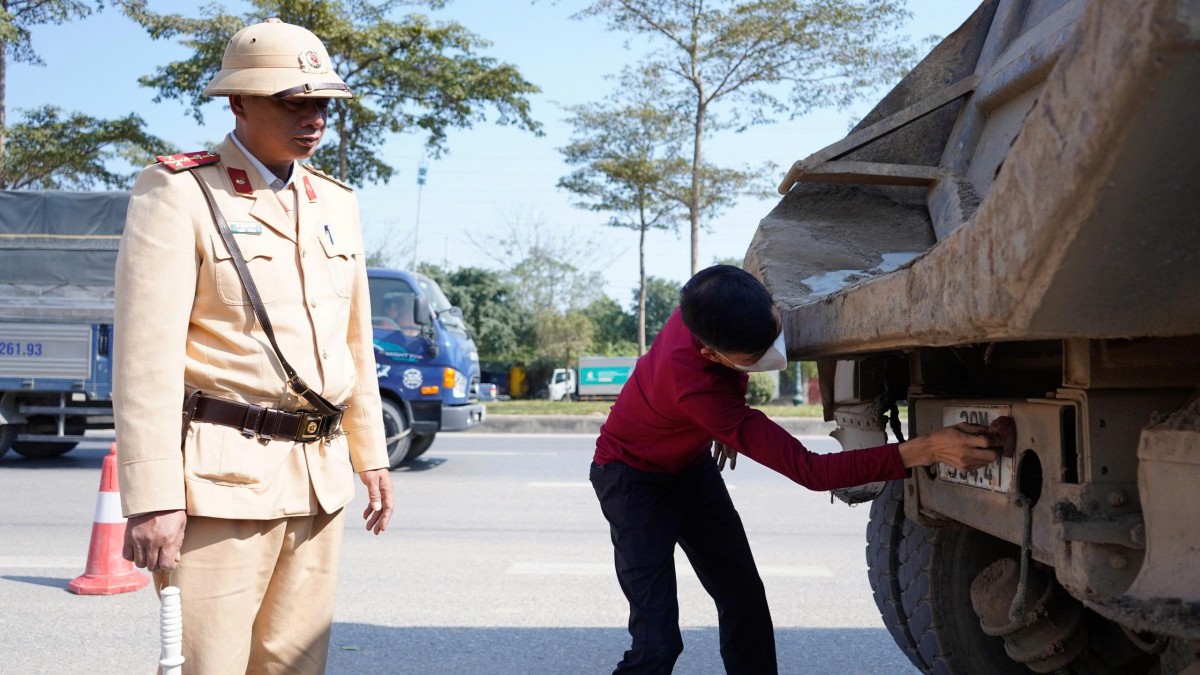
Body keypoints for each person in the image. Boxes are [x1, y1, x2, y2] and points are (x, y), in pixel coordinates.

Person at [113, 18, 394, 674]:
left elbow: (351, 339)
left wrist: (370, 454)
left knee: (296, 664)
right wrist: (153, 496)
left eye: (322, 102)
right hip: (220, 482)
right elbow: (145, 361)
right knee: (213, 664)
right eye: (293, 102)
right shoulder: (180, 193)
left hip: (319, 479)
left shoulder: (335, 202)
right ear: (238, 101)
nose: (314, 118)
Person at [590, 264, 1000, 674]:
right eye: (754, 357)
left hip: (689, 468)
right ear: (711, 354)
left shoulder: (715, 302)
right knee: (658, 644)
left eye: (775, 328)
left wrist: (714, 426)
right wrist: (926, 449)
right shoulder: (699, 392)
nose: (774, 353)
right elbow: (812, 472)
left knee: (743, 599)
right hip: (631, 480)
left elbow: (726, 364)